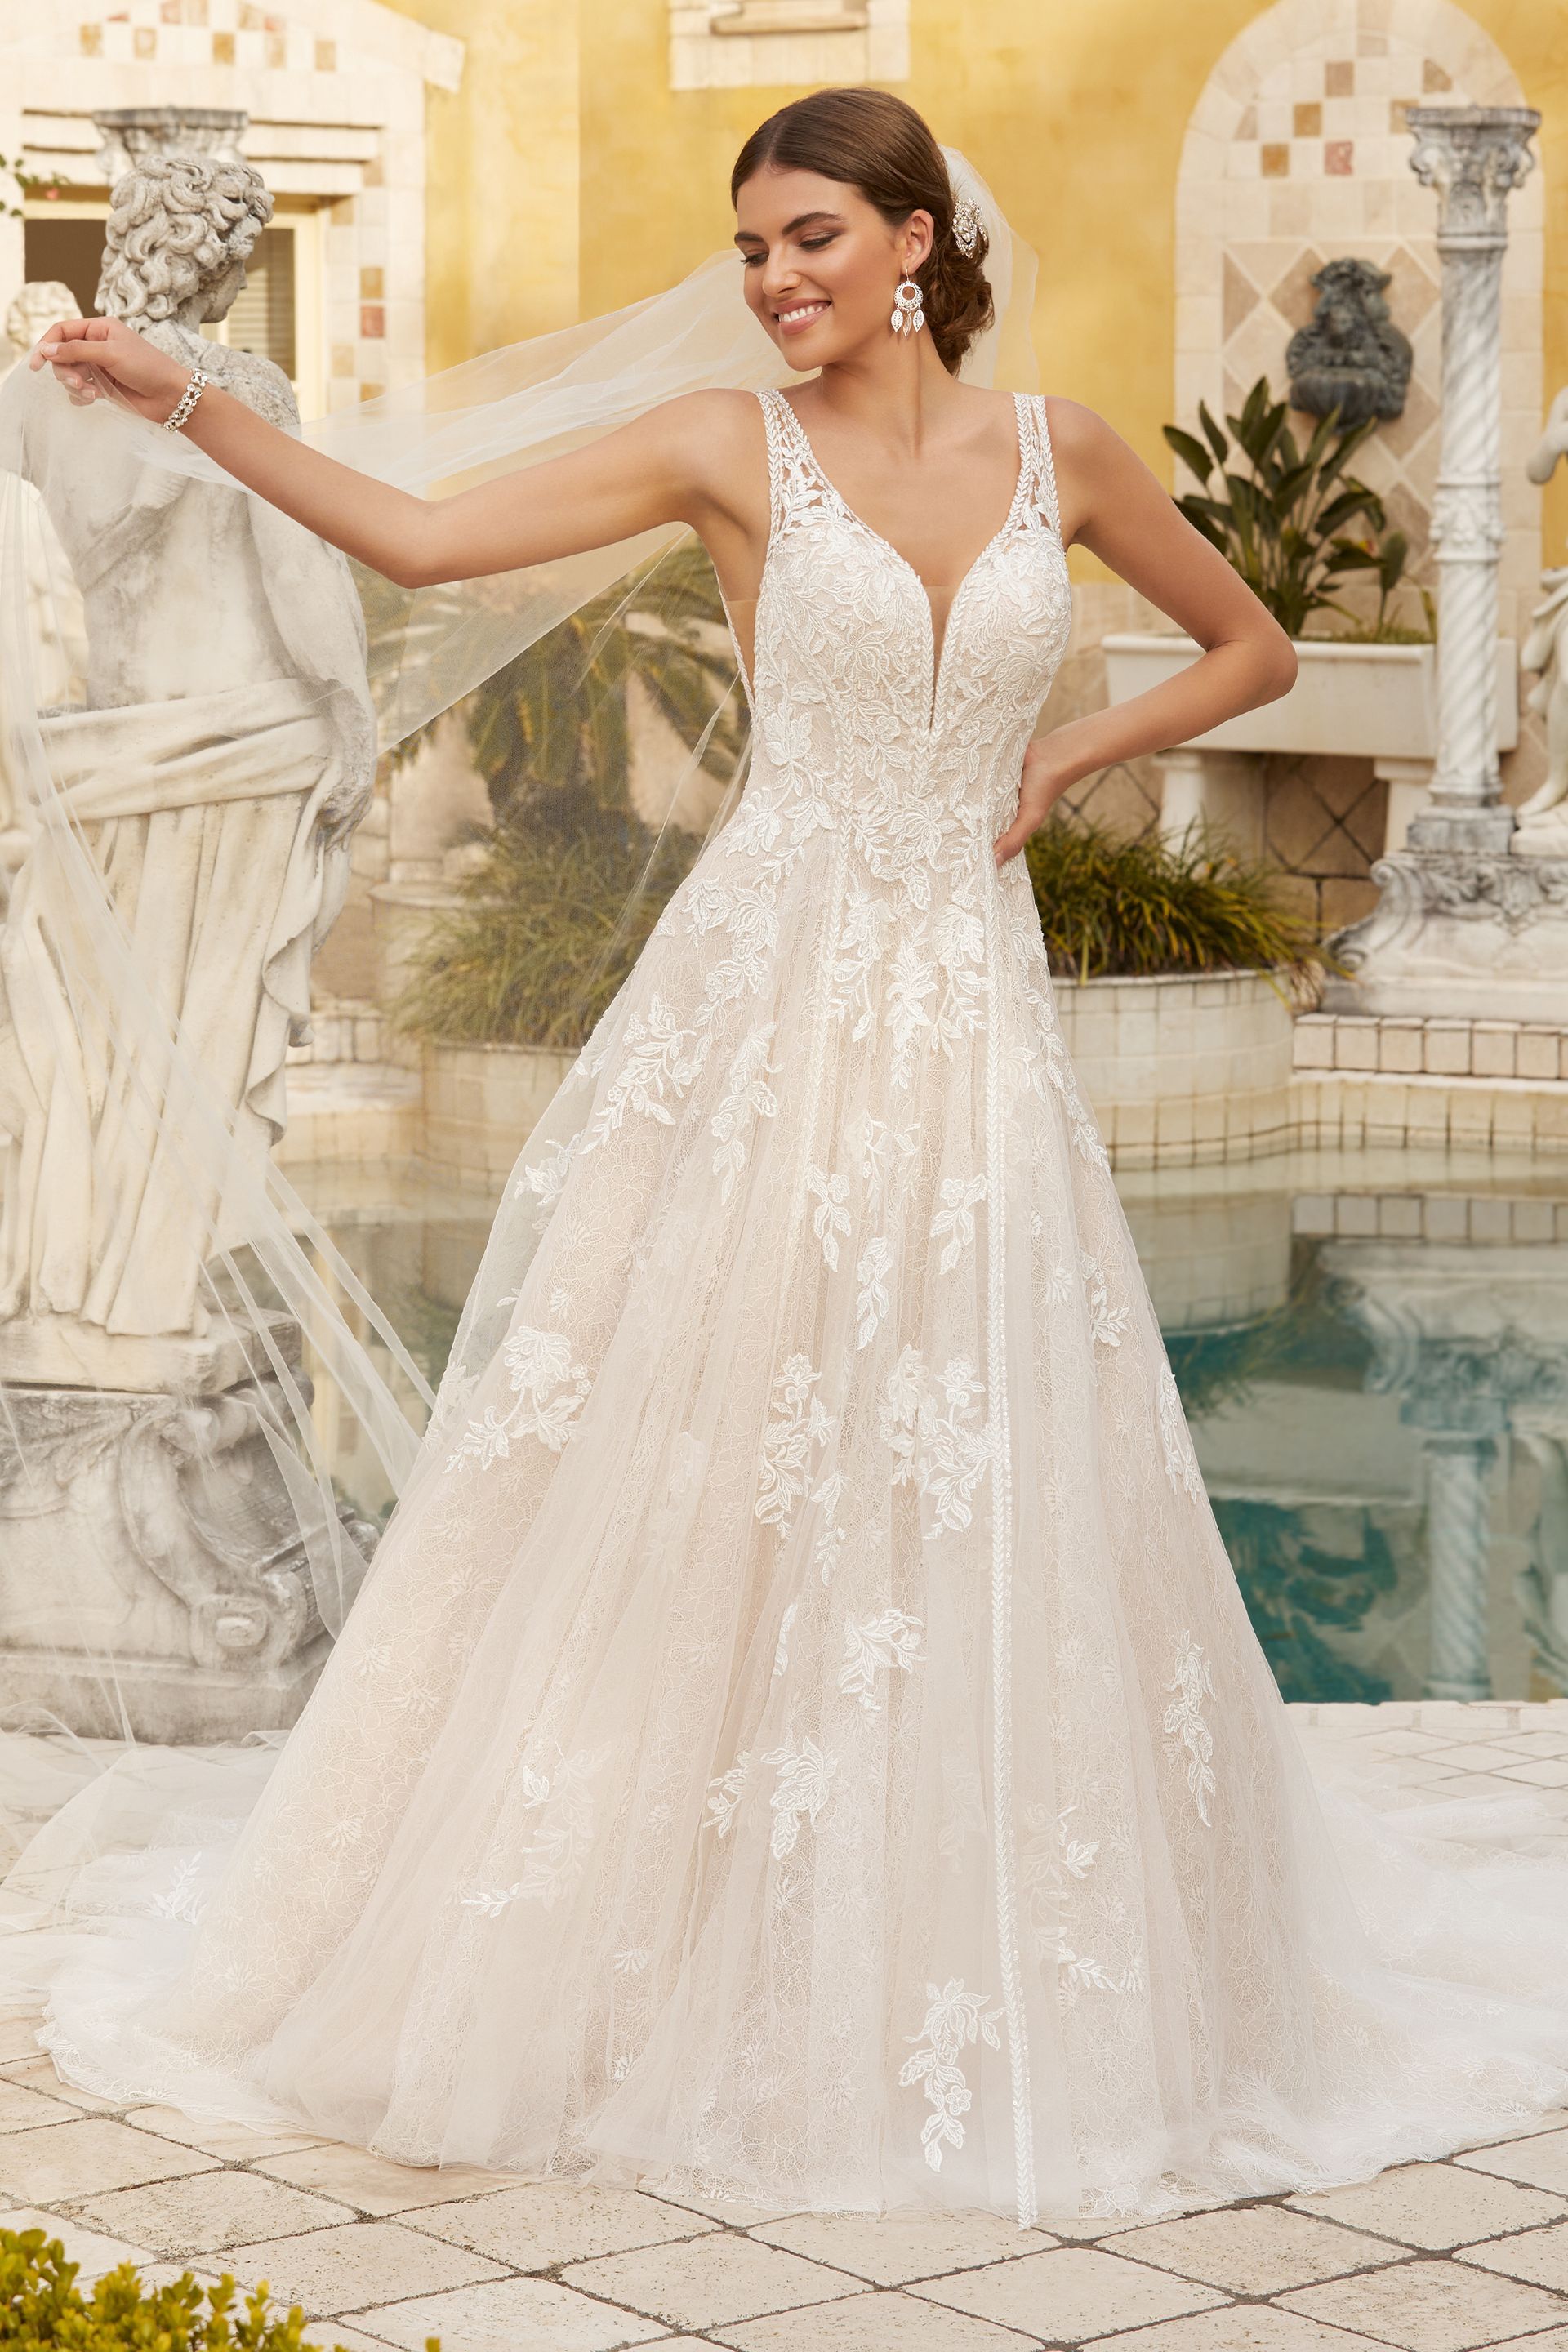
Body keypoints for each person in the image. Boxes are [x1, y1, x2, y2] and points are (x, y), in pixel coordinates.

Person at [11, 85, 1568, 2229]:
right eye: (753, 250)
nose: (776, 282)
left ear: (915, 240)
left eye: (815, 238)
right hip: (765, 1006)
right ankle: (658, 1918)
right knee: (710, 1442)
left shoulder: (1068, 450)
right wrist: (185, 394)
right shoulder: (730, 447)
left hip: (971, 1022)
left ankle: (973, 1934)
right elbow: (422, 537)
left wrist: (1063, 753)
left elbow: (1257, 648)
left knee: (979, 1444)